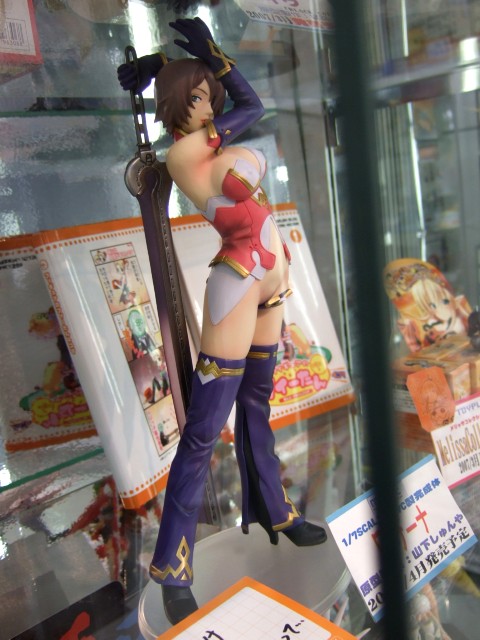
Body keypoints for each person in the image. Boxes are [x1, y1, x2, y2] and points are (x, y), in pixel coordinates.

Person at [118, 17, 326, 625]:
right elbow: (252, 105)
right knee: (206, 429)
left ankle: (275, 510)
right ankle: (172, 563)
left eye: (211, 97)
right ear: (180, 105)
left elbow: (242, 105)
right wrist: (208, 60)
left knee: (258, 402)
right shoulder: (188, 152)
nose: (212, 106)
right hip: (236, 283)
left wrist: (195, 62)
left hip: (272, 280)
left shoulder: (207, 142)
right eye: (200, 98)